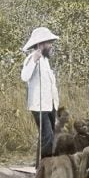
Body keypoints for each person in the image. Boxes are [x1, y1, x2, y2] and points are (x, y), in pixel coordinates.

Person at [20, 27, 60, 158]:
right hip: (39, 105)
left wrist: (56, 104)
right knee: (47, 136)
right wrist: (34, 61)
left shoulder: (46, 61)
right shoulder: (32, 58)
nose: (51, 46)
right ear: (41, 44)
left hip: (50, 104)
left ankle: (40, 165)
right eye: (49, 43)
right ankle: (46, 166)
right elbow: (25, 77)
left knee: (48, 136)